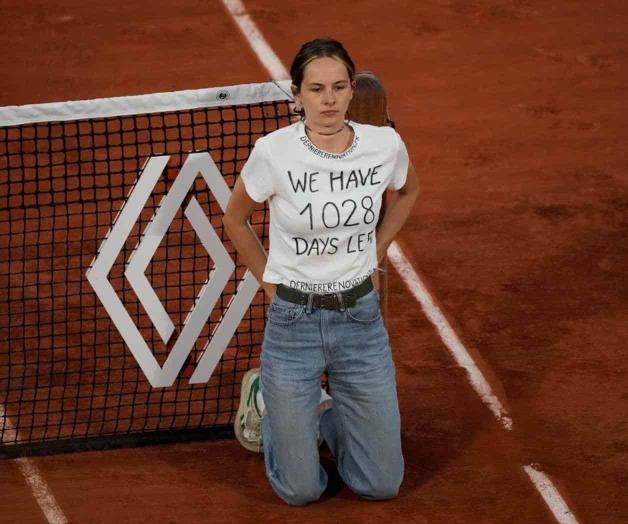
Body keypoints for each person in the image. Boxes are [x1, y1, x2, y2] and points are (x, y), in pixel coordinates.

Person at [222, 38, 420, 506]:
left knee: (380, 484)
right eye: (316, 89)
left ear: (353, 90)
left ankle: (323, 407)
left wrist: (376, 252)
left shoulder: (384, 144)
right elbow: (235, 217)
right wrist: (271, 283)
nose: (328, 99)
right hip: (293, 327)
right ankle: (266, 398)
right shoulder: (273, 152)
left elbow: (409, 191)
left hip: (360, 324)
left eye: (338, 87)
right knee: (300, 490)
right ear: (298, 95)